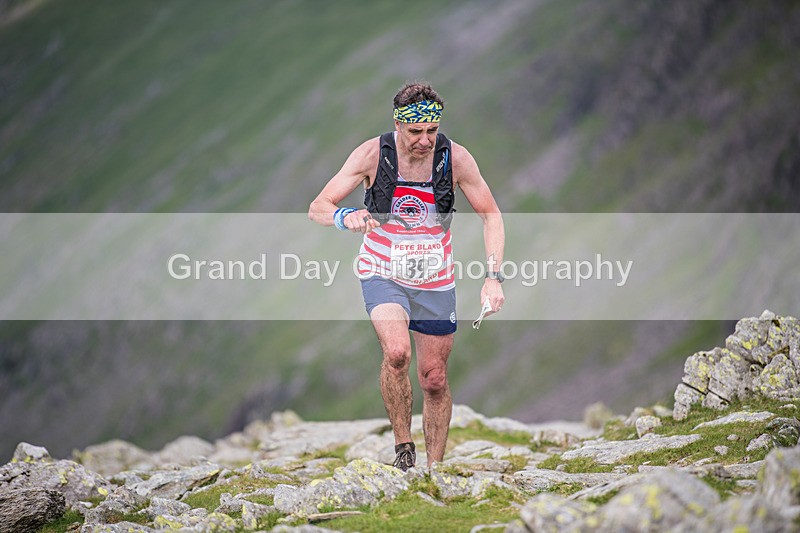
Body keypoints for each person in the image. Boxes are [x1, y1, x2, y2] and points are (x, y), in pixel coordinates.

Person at [308, 81, 505, 470]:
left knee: (433, 378)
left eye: (431, 131)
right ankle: (403, 450)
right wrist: (346, 216)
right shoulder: (372, 154)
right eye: (415, 132)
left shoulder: (456, 159)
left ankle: (434, 470)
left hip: (435, 278)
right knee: (396, 353)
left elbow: (491, 214)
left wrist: (493, 276)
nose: (424, 140)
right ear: (398, 126)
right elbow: (318, 206)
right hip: (382, 270)